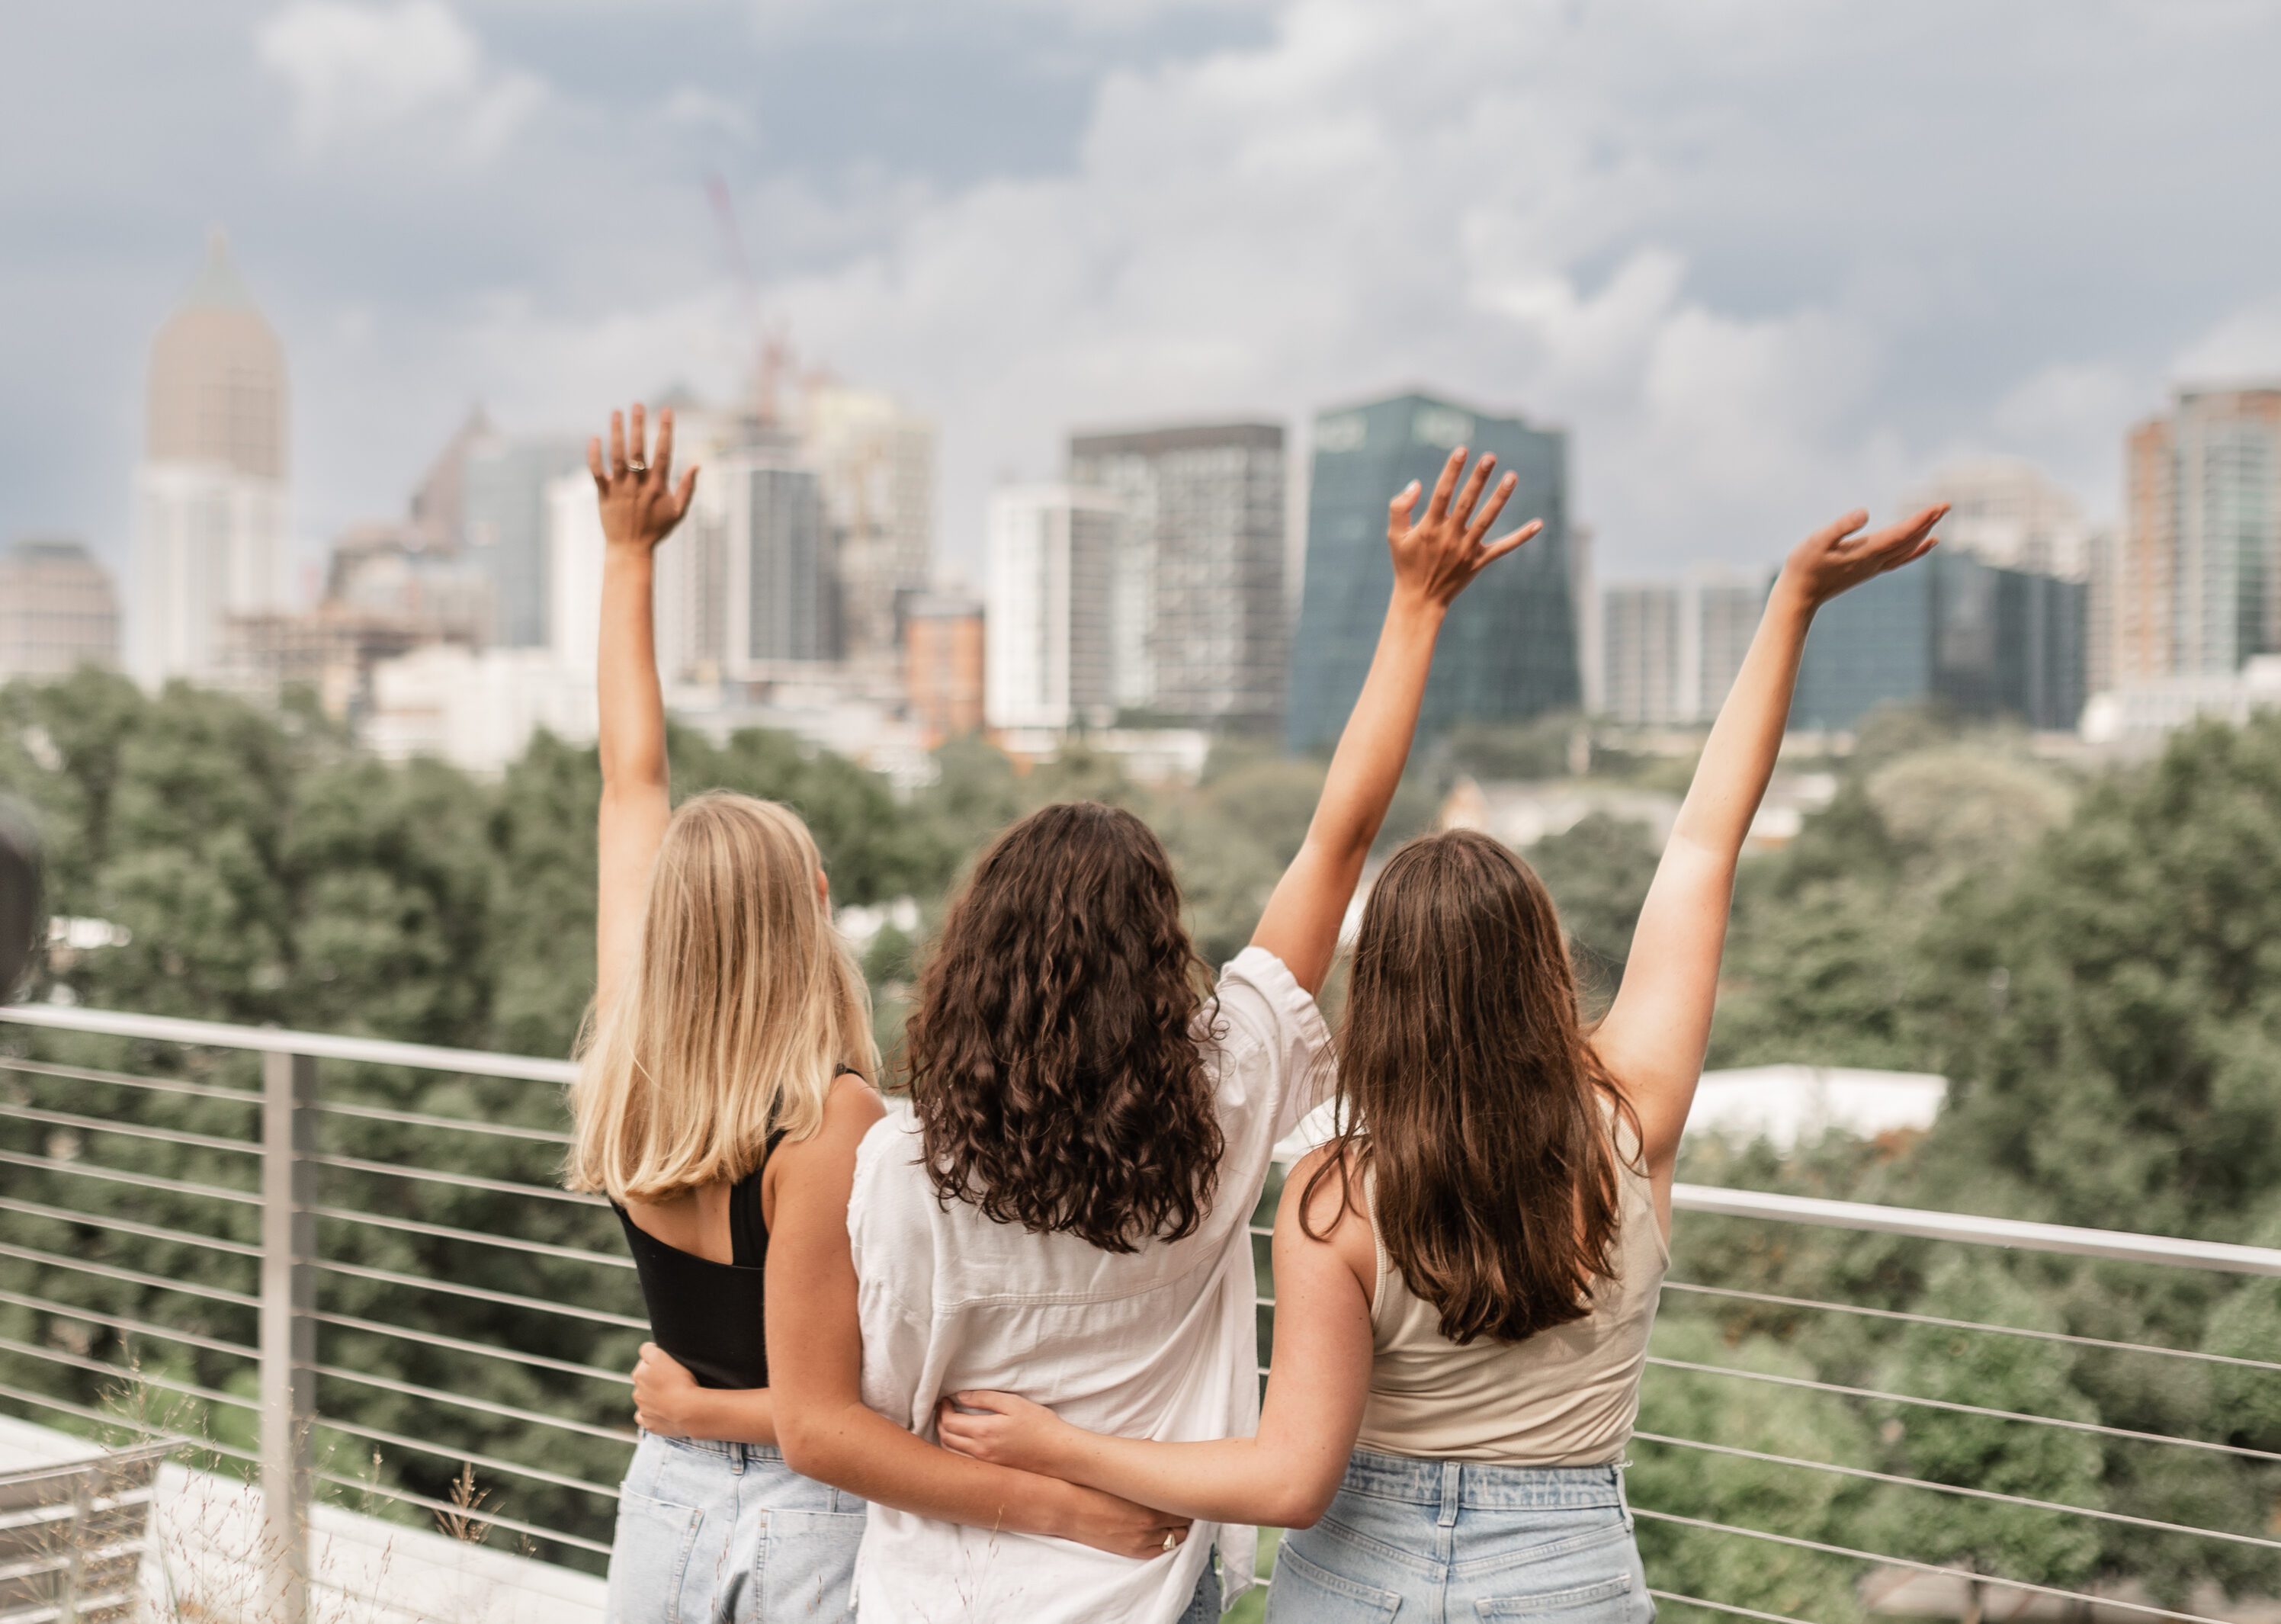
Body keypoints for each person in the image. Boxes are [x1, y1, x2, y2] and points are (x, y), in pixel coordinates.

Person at [935, 502, 1948, 1621]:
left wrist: (1061, 1444)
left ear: (1382, 999)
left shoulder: (1339, 1198)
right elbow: (1708, 840)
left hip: (1366, 1581)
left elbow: (1286, 1477)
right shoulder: (1632, 1120)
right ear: (1544, 967)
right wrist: (1789, 607)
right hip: (1568, 1575)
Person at [756, 447, 1542, 1624]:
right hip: (1142, 1590)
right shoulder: (1227, 1099)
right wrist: (1416, 608)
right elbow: (1341, 838)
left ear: (973, 963)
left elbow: (822, 1425)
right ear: (1157, 960)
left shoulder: (887, 1168)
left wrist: (1033, 1485)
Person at [578, 403, 1197, 1622]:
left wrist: (626, 557)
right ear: (814, 906)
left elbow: (627, 776)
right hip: (809, 1528)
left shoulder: (626, 1061)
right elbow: (844, 1412)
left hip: (665, 1503)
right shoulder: (834, 1121)